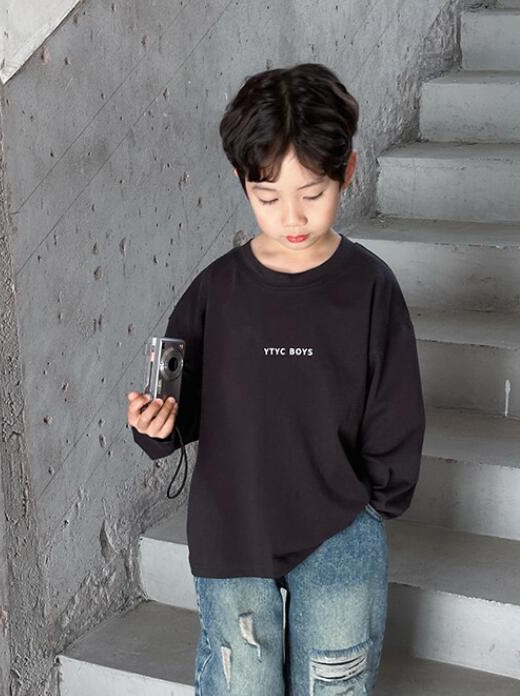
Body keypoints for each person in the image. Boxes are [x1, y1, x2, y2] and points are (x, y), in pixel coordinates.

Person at [126, 62, 426, 695]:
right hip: (234, 528)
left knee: (333, 685)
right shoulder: (217, 290)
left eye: (311, 194)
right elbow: (180, 410)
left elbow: (395, 405)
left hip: (340, 530)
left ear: (347, 171)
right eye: (268, 198)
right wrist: (154, 428)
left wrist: (379, 502)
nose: (291, 216)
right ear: (243, 182)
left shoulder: (370, 287)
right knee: (244, 684)